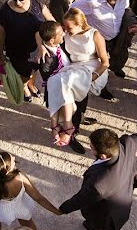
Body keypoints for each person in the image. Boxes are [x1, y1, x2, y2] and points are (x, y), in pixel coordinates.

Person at [59, 128, 137, 230]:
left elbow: (81, 199)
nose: (90, 147)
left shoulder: (99, 184)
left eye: (91, 147)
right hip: (121, 198)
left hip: (108, 217)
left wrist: (63, 209)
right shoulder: (127, 143)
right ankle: (93, 226)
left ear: (103, 155)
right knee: (94, 224)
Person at [70, 0, 137, 100]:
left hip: (117, 36)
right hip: (100, 39)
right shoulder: (91, 0)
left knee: (119, 56)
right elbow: (72, 10)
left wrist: (133, 24)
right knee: (101, 64)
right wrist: (84, 28)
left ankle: (116, 67)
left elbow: (126, 11)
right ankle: (102, 88)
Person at [45, 9, 109, 147]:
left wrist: (92, 77)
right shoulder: (66, 32)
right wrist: (40, 46)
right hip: (74, 68)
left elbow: (105, 62)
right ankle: (54, 125)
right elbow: (42, 31)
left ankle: (68, 125)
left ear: (79, 23)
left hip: (92, 69)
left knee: (65, 80)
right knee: (53, 81)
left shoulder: (94, 35)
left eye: (69, 27)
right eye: (64, 26)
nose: (65, 30)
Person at [36, 21, 95, 155]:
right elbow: (54, 86)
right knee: (69, 117)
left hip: (75, 85)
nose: (64, 32)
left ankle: (80, 118)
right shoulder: (45, 60)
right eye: (60, 32)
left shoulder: (58, 43)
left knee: (81, 107)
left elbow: (38, 33)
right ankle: (71, 135)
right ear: (52, 40)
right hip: (63, 94)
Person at [0, 151, 61, 230]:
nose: (14, 158)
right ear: (7, 169)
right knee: (28, 223)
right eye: (12, 160)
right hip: (22, 206)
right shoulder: (20, 178)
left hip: (2, 212)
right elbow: (39, 198)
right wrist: (56, 211)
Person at [0, 0, 55, 102]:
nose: (17, 3)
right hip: (18, 50)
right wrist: (1, 52)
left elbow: (50, 20)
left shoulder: (37, 2)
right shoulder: (4, 11)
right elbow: (2, 34)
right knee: (24, 73)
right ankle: (24, 86)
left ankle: (31, 84)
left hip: (37, 48)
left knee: (35, 69)